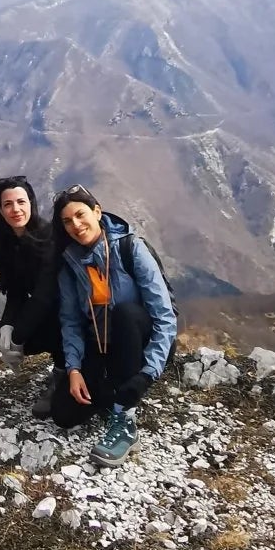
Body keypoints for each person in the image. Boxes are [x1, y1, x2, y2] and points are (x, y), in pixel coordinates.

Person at [49, 186, 176, 466]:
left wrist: (147, 375)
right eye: (67, 221)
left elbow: (165, 317)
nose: (76, 225)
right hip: (101, 344)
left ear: (97, 211)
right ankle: (112, 393)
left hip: (139, 339)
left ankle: (124, 421)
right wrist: (74, 369)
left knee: (125, 313)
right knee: (63, 414)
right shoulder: (71, 262)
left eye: (80, 215)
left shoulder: (130, 248)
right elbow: (70, 321)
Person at [0, 177, 60, 366]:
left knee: (19, 335)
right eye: (8, 204)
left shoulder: (49, 237)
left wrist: (17, 338)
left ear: (31, 204)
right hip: (39, 311)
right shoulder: (5, 243)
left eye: (21, 202)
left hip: (63, 311)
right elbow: (15, 290)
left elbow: (44, 295)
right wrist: (8, 325)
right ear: (0, 210)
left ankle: (64, 365)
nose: (15, 209)